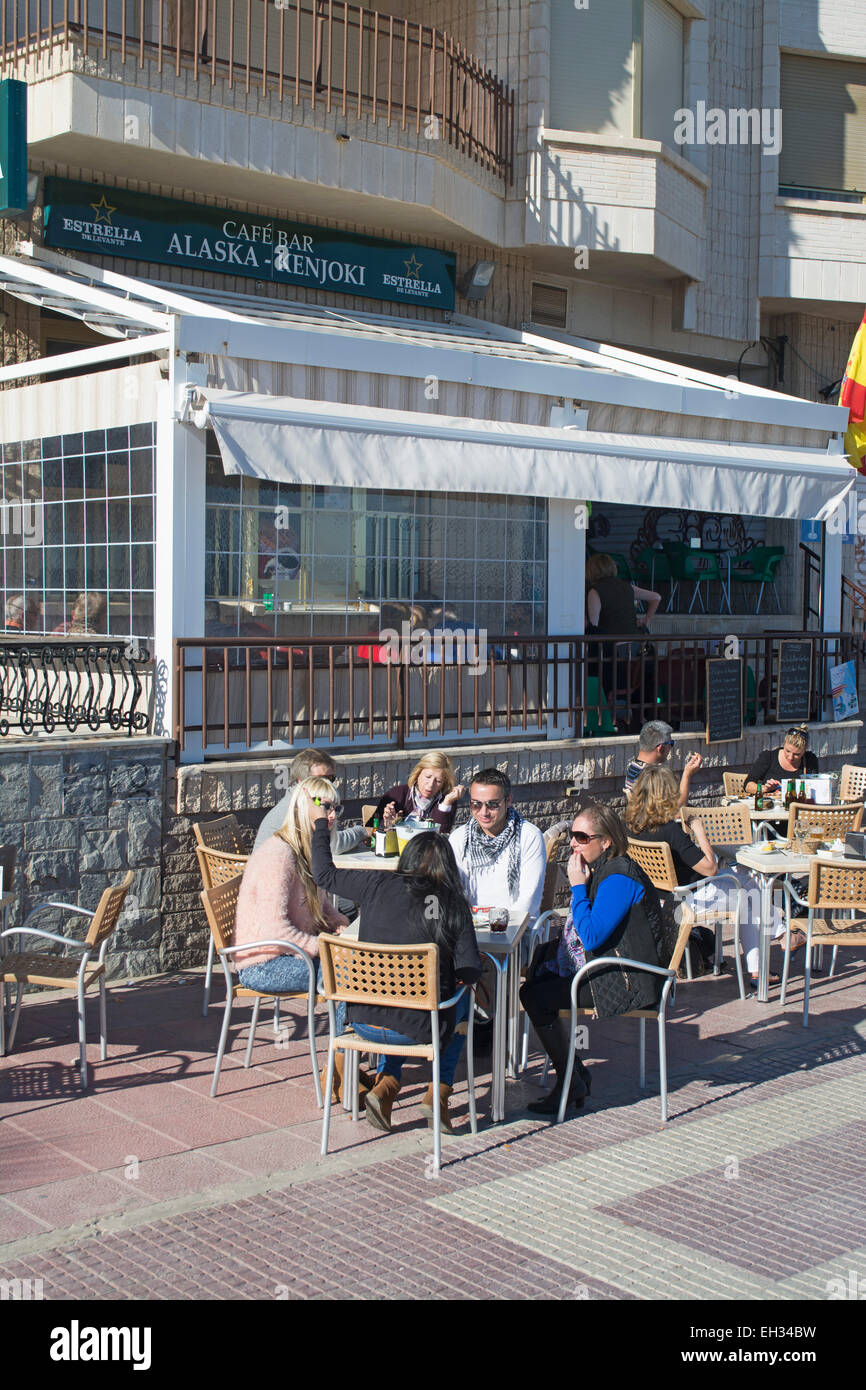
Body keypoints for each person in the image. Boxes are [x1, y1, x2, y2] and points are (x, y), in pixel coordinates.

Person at [310, 798, 482, 1135]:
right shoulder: (452, 904)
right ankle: (439, 1093)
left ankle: (387, 1085)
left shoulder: (375, 884)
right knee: (461, 1002)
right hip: (419, 1029)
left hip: (362, 1022)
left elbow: (323, 874)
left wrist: (320, 826)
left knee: (406, 1002)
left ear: (407, 858)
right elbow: (470, 971)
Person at [520, 801, 664, 1115]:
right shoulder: (604, 869)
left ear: (606, 841)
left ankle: (570, 1080)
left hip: (630, 979)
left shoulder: (618, 878)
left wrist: (577, 888)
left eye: (582, 838)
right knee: (536, 979)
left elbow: (591, 936)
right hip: (613, 965)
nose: (573, 843)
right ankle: (574, 1075)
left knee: (534, 996)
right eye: (573, 835)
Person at [233, 778, 364, 1104]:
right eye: (325, 806)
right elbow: (275, 931)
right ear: (304, 807)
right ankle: (342, 1070)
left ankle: (345, 1066)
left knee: (356, 965)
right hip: (263, 962)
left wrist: (340, 924)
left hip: (291, 953)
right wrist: (325, 947)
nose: (331, 815)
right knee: (345, 974)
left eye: (335, 808)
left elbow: (321, 907)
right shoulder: (278, 855)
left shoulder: (306, 850)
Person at [625, 765, 791, 990]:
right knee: (749, 891)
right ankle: (778, 940)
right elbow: (710, 868)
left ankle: (768, 956)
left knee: (745, 879)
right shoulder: (670, 831)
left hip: (663, 897)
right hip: (690, 898)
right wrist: (699, 830)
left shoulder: (631, 827)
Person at [449, 768, 546, 922]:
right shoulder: (459, 838)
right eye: (476, 804)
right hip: (470, 925)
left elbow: (529, 898)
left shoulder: (529, 836)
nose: (484, 812)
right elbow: (453, 892)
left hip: (516, 926)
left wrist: (501, 926)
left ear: (508, 801)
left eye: (493, 804)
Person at [586, 552, 660, 723]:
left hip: (614, 655)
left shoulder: (594, 592)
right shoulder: (628, 587)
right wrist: (646, 619)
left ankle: (599, 718)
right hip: (637, 653)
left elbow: (594, 626)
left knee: (591, 667)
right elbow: (656, 597)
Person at [366, 751, 465, 834]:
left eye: (438, 781)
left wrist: (446, 805)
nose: (431, 785)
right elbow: (369, 833)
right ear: (418, 773)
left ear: (444, 783)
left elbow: (440, 838)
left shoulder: (447, 801)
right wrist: (388, 824)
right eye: (427, 777)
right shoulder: (396, 795)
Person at [624, 719, 702, 805]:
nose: (671, 748)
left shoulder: (633, 768)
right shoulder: (652, 776)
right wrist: (687, 774)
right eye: (671, 743)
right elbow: (678, 808)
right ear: (660, 748)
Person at [744, 724, 818, 797]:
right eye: (788, 751)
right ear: (784, 744)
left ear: (804, 751)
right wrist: (765, 788)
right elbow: (747, 785)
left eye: (797, 754)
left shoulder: (810, 760)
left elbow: (814, 787)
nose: (791, 757)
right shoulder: (768, 757)